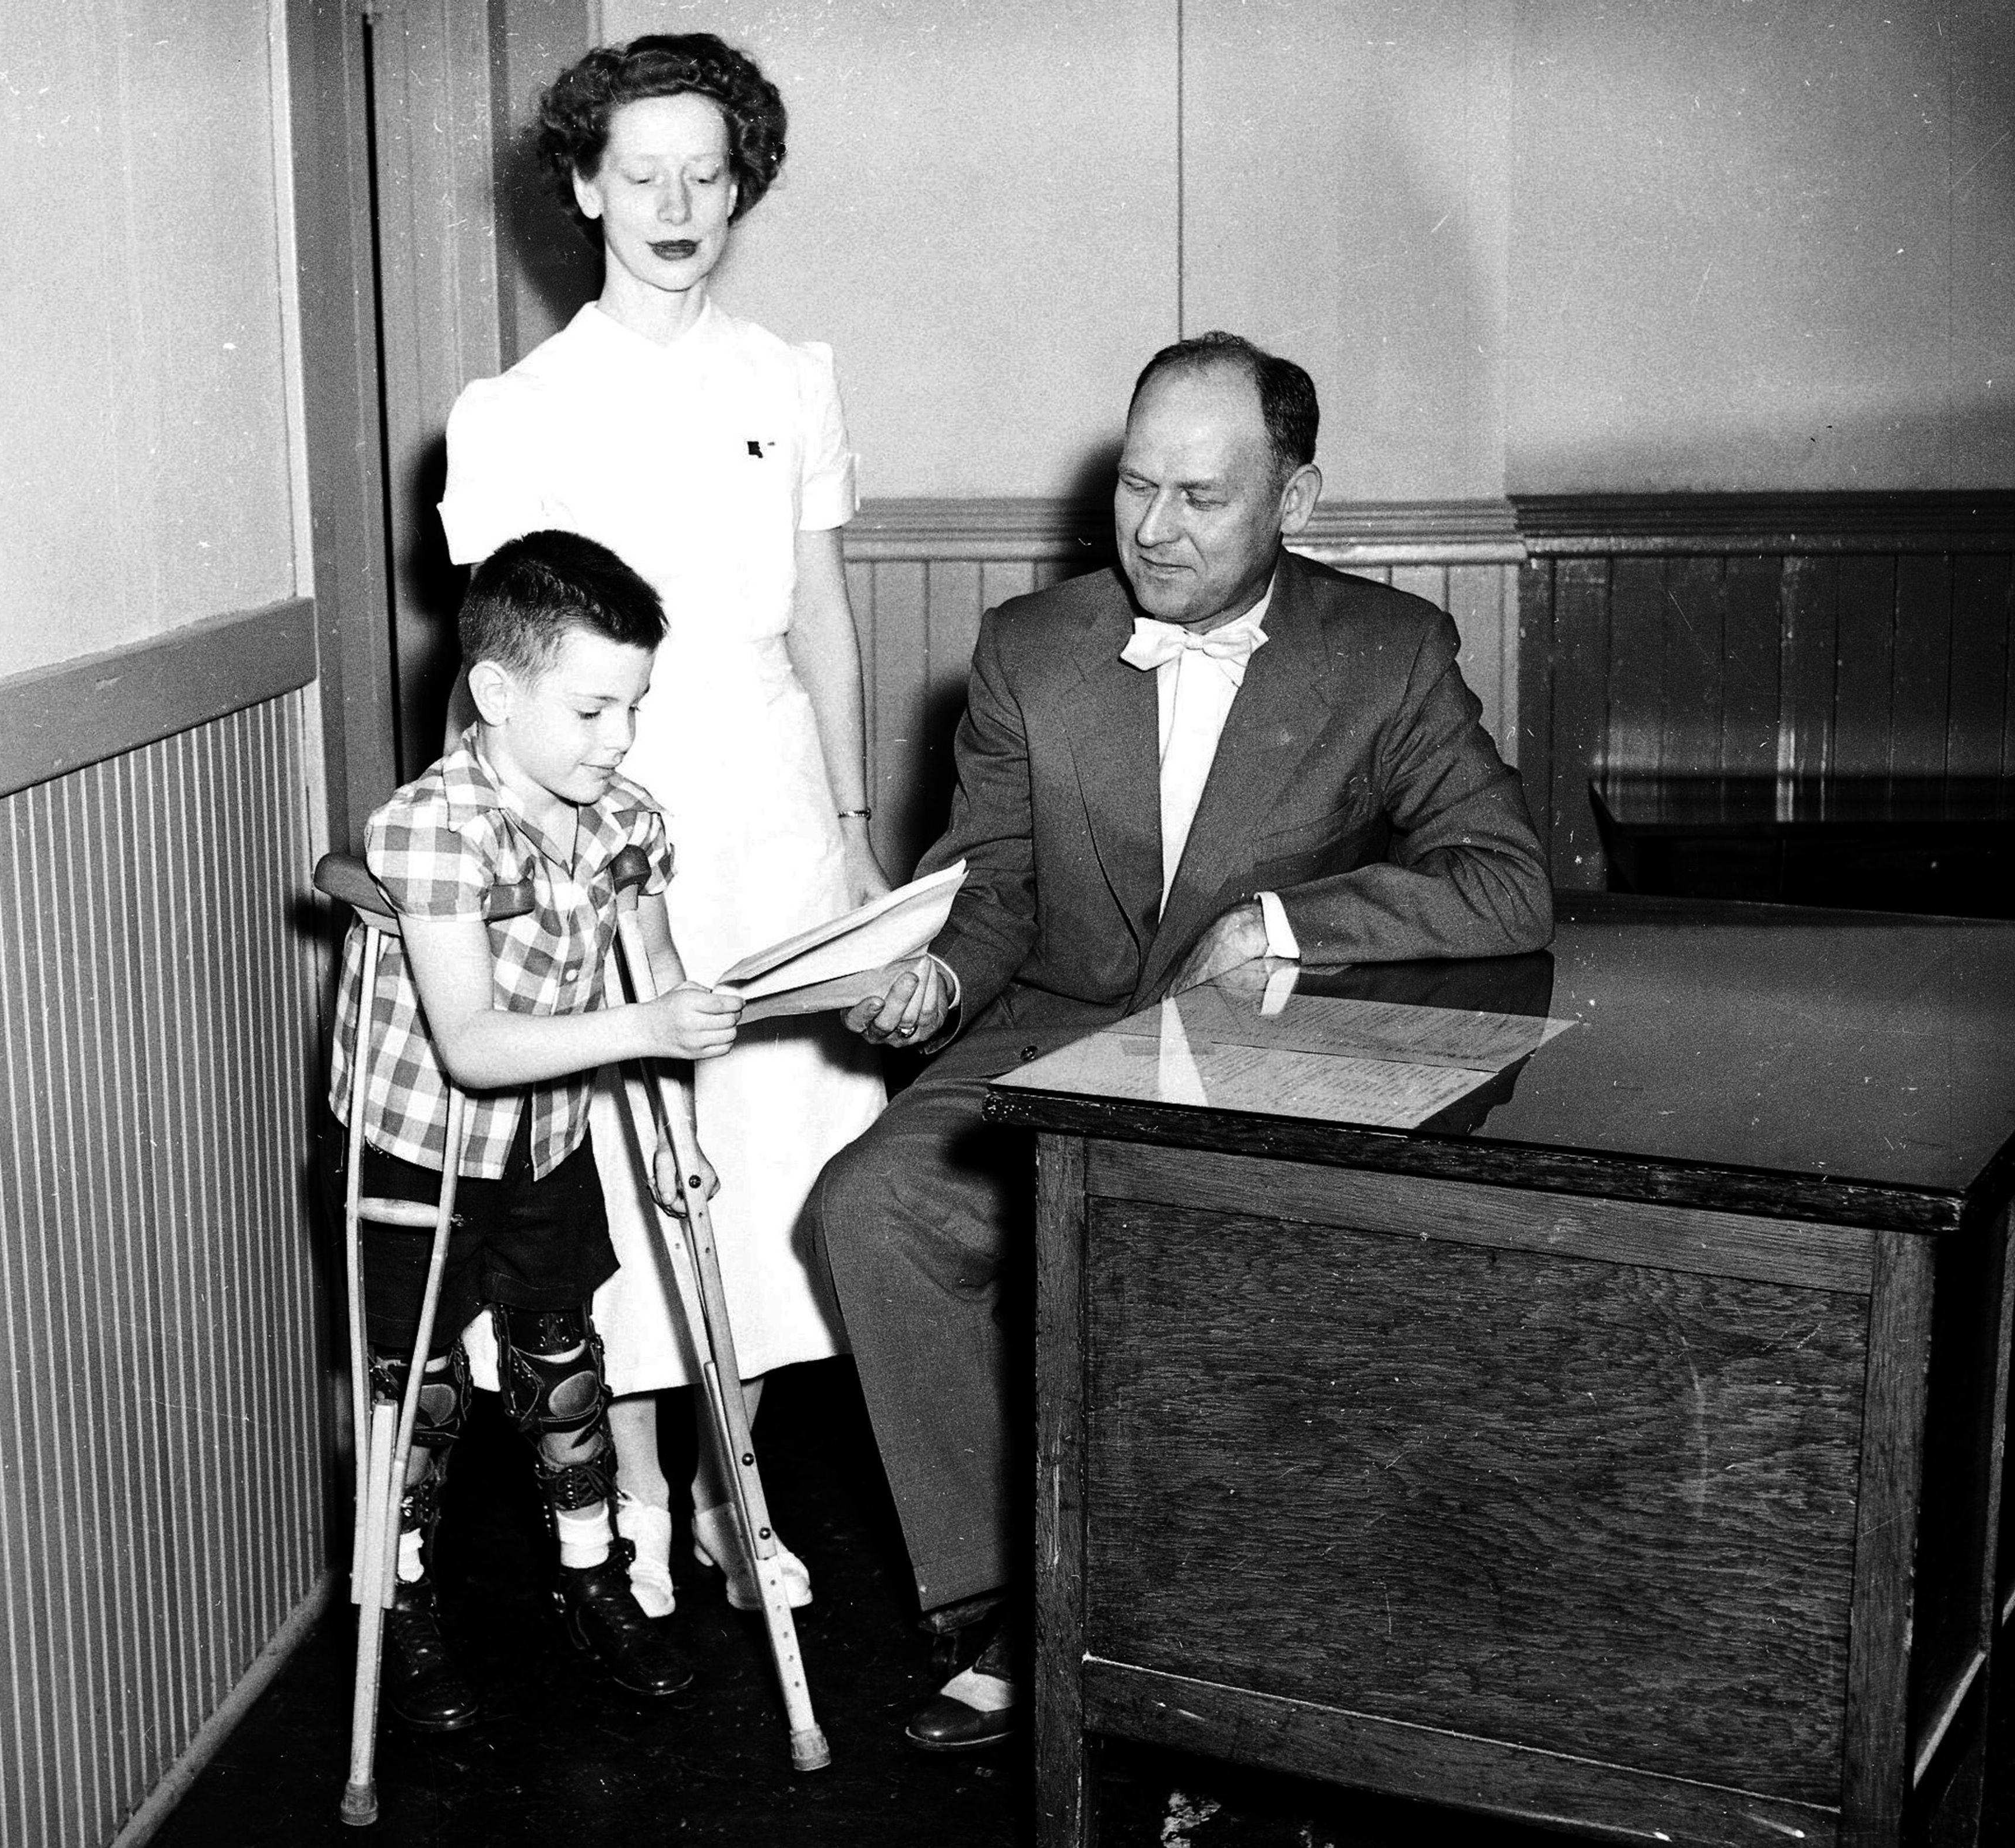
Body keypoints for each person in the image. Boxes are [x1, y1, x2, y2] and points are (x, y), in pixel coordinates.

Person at [808, 333, 1555, 1750]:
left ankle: (1214, 1627)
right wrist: (932, 986)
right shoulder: (1030, 648)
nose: (1155, 530)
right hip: (1049, 1025)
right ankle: (1016, 1606)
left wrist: (1283, 921)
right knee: (873, 1204)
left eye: (1202, 497)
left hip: (1252, 1054)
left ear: (1298, 501)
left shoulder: (1388, 653)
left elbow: (1506, 877)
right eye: (1135, 488)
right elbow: (992, 892)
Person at [437, 32, 885, 1620]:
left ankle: (731, 1488)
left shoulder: (791, 378)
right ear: (582, 187)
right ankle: (627, 1491)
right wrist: (515, 869)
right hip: (595, 823)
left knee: (757, 1169)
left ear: (741, 182)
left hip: (767, 821)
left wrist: (851, 824)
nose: (678, 204)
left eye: (708, 172)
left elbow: (824, 621)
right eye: (642, 174)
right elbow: (502, 680)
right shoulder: (515, 412)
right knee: (623, 1175)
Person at [326, 529, 743, 1730]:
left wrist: (675, 1134)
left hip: (547, 1146)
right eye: (594, 710)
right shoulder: (427, 828)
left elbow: (656, 976)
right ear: (499, 694)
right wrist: (651, 1025)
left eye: (635, 709)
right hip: (420, 1148)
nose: (620, 742)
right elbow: (474, 1042)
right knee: (420, 1395)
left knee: (562, 1366)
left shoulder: (622, 816)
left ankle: (589, 1578)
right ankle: (397, 1606)